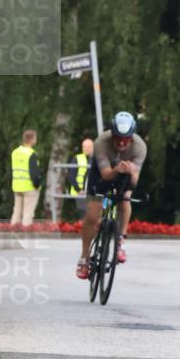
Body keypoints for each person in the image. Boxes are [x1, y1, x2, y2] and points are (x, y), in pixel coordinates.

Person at [76, 112, 147, 279]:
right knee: (93, 215)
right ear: (112, 134)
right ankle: (84, 258)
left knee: (125, 200)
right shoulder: (101, 142)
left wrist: (131, 172)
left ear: (132, 136)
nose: (121, 143)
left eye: (126, 139)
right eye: (118, 138)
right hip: (102, 174)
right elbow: (106, 175)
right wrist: (117, 169)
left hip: (124, 176)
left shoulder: (140, 147)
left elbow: (134, 182)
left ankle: (120, 240)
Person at [10, 129, 41, 227]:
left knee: (16, 212)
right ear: (32, 140)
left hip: (17, 186)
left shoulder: (15, 152)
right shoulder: (31, 154)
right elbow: (34, 173)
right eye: (35, 138)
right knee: (28, 214)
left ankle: (13, 232)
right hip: (29, 187)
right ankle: (25, 234)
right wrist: (37, 185)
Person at [68, 137, 94, 216]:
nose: (86, 149)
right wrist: (78, 190)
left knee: (93, 215)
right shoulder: (77, 158)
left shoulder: (96, 159)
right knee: (83, 215)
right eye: (84, 146)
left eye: (89, 147)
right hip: (80, 192)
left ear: (93, 147)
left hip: (92, 193)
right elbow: (71, 176)